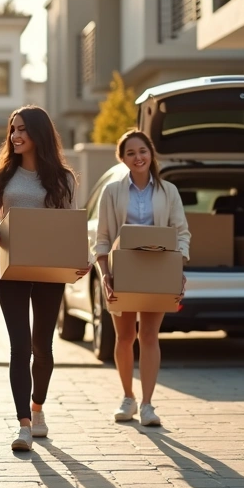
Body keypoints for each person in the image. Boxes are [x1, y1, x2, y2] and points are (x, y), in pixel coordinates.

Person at [0, 105, 90, 451]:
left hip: (48, 269)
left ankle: (38, 408)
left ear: (39, 133)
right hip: (10, 267)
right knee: (20, 346)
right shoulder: (2, 177)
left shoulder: (63, 178)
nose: (15, 136)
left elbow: (69, 224)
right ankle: (23, 424)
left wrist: (78, 259)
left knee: (42, 347)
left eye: (23, 129)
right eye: (12, 129)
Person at [92, 129, 189, 427]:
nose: (138, 157)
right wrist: (105, 275)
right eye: (131, 153)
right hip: (123, 270)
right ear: (123, 159)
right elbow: (103, 238)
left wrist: (178, 269)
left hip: (157, 270)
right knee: (124, 336)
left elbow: (181, 233)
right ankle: (127, 397)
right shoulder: (112, 192)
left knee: (149, 335)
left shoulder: (168, 191)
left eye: (142, 151)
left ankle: (147, 404)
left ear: (151, 154)